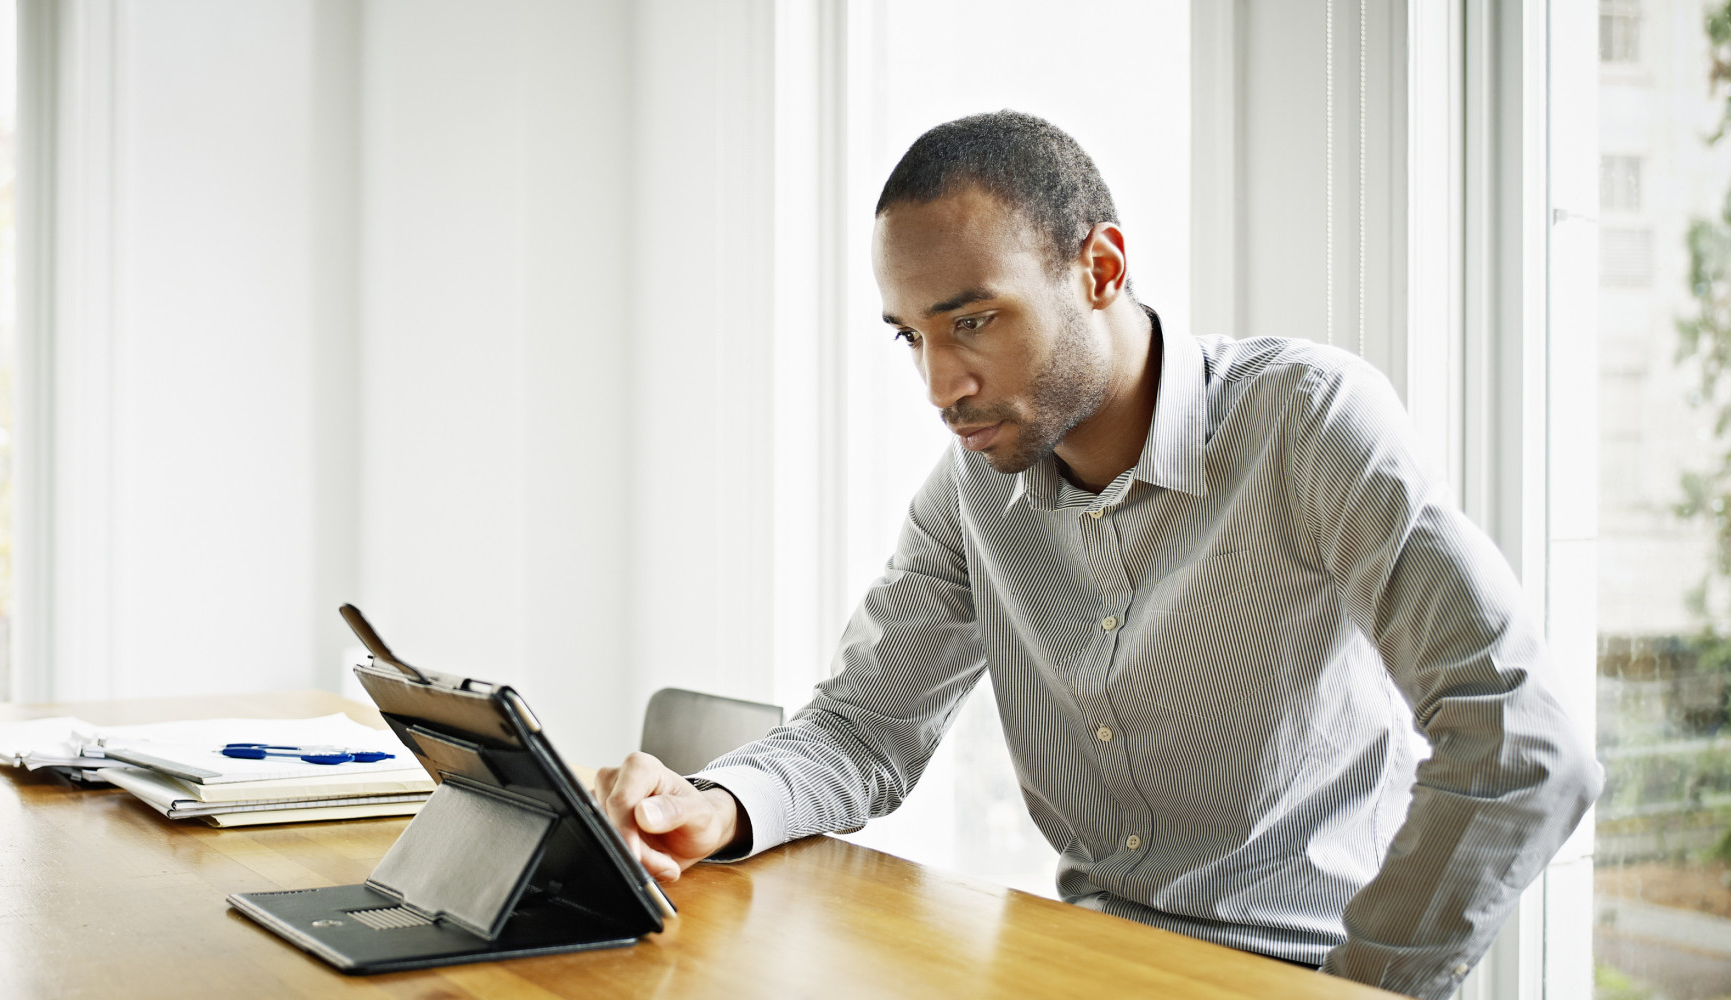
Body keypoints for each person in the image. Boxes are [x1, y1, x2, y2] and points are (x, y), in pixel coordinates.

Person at [594, 110, 1599, 1000]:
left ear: (1100, 269)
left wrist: (1363, 993)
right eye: (908, 336)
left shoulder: (1308, 422)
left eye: (973, 320)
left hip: (1296, 971)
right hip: (1085, 958)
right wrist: (715, 803)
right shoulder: (970, 488)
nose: (940, 384)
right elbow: (863, 728)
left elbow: (1517, 741)